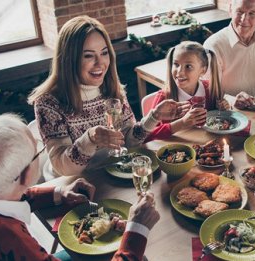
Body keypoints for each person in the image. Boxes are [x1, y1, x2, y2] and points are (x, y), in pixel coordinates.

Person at [0, 114, 160, 261]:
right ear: (26, 174)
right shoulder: (8, 241)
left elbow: (6, 194)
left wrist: (58, 193)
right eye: (38, 152)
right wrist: (137, 230)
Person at [28, 16, 188, 178]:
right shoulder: (48, 103)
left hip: (112, 175)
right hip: (74, 186)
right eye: (88, 56)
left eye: (104, 53)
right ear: (69, 60)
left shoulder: (111, 88)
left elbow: (128, 141)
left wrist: (154, 117)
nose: (100, 63)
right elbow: (64, 168)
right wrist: (90, 139)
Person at [146, 41, 230, 141]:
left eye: (188, 66)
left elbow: (219, 122)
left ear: (202, 70)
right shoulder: (164, 97)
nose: (180, 72)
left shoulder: (210, 89)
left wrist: (224, 109)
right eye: (176, 64)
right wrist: (181, 123)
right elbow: (146, 136)